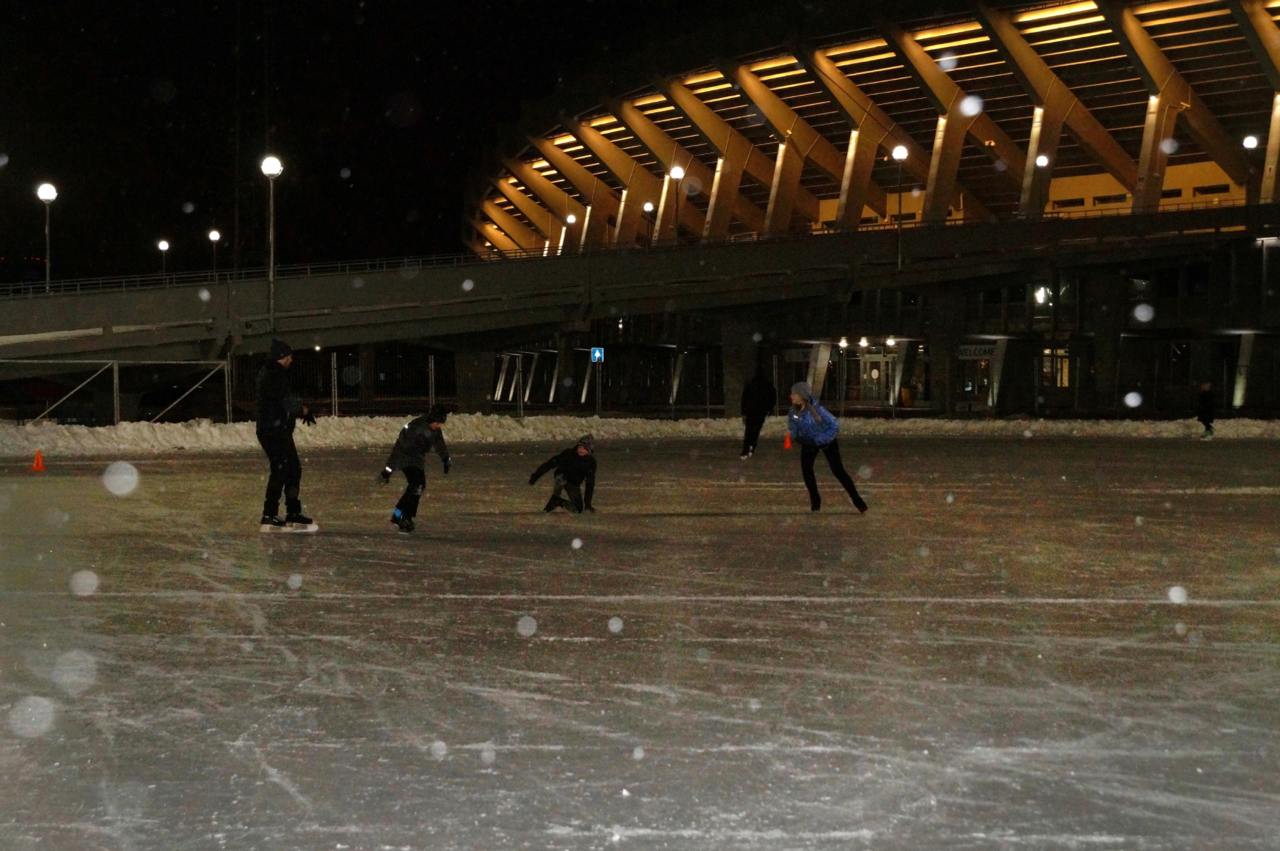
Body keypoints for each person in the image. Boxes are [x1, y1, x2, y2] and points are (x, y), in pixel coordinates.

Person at [255, 339, 316, 530]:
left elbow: (285, 399)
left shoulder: (274, 373)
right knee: (282, 469)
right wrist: (303, 410)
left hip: (276, 430)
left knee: (292, 469)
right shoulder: (273, 375)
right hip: (273, 431)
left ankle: (292, 512)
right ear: (282, 357)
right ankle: (270, 514)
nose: (291, 359)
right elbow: (286, 400)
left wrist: (299, 409)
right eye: (289, 356)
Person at [787, 381, 867, 513]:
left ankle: (857, 500)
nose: (791, 396)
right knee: (807, 471)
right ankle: (815, 501)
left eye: (794, 394)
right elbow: (793, 426)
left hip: (827, 442)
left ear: (802, 395)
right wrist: (796, 436)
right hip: (809, 443)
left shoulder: (817, 409)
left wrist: (821, 439)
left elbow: (834, 425)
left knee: (838, 471)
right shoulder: (793, 411)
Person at [379, 403, 451, 533]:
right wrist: (387, 470)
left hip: (417, 459)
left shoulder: (434, 430)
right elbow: (398, 449)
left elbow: (440, 444)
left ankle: (397, 514)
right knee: (416, 485)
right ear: (432, 419)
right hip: (405, 458)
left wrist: (445, 459)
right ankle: (405, 517)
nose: (439, 426)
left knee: (419, 485)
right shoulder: (416, 429)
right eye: (438, 423)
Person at [529, 435, 596, 513]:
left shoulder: (591, 462)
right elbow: (550, 464)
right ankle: (555, 498)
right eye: (580, 447)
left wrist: (587, 504)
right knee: (561, 479)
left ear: (589, 450)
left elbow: (590, 483)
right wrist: (536, 476)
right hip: (562, 476)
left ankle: (557, 501)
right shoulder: (568, 453)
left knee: (578, 509)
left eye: (584, 448)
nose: (581, 450)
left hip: (574, 483)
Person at [740, 370, 776, 460]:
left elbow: (744, 399)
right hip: (760, 411)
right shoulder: (768, 386)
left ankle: (746, 449)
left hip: (751, 411)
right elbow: (772, 397)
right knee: (756, 430)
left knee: (749, 430)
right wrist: (769, 408)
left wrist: (744, 412)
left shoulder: (750, 385)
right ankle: (752, 446)